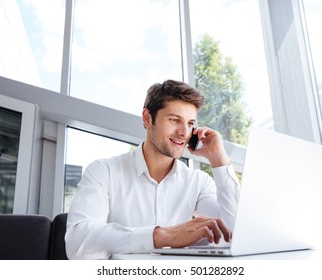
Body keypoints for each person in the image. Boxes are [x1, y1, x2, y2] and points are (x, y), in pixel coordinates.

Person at [65, 79, 240, 259]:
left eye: (190, 124)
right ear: (148, 118)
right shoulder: (103, 172)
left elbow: (235, 234)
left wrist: (219, 159)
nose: (184, 132)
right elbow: (77, 243)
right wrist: (160, 236)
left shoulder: (199, 182)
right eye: (174, 120)